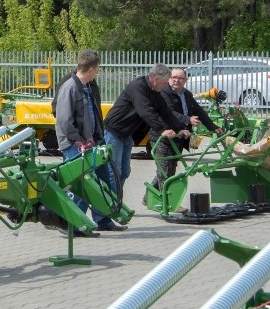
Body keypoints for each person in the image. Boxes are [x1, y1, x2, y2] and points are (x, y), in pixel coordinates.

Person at [54, 50, 124, 234]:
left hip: (92, 143)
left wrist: (94, 137)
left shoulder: (87, 86)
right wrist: (78, 140)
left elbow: (92, 115)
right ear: (91, 69)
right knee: (82, 185)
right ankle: (73, 223)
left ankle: (102, 220)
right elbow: (64, 120)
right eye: (98, 69)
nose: (98, 72)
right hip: (75, 145)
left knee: (102, 181)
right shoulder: (70, 87)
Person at [103, 63, 184, 195]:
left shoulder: (154, 91)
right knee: (114, 171)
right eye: (164, 83)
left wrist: (179, 128)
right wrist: (161, 130)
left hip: (127, 135)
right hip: (114, 133)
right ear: (155, 79)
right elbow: (146, 111)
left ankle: (116, 201)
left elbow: (165, 111)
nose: (166, 86)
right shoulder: (138, 87)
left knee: (124, 171)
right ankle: (110, 205)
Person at [149, 68, 223, 195]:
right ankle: (167, 204)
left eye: (180, 78)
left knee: (169, 170)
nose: (176, 80)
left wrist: (213, 127)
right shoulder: (163, 93)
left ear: (185, 80)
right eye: (174, 77)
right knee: (165, 171)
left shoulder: (187, 94)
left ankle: (148, 198)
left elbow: (199, 111)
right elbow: (168, 112)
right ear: (169, 79)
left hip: (179, 137)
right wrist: (188, 119)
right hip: (163, 137)